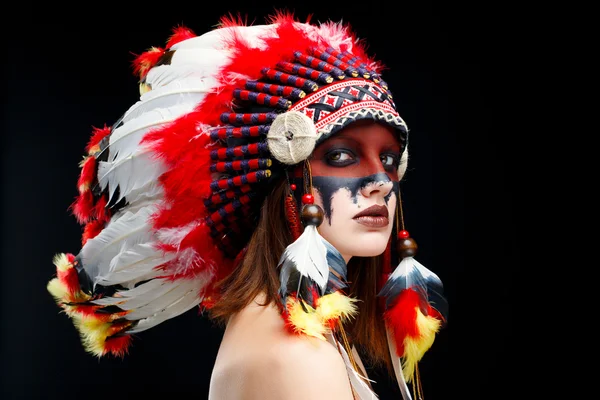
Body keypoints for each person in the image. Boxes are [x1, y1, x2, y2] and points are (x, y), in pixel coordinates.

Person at [47, 11, 448, 400]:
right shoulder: (294, 357)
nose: (380, 181)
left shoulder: (299, 332)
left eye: (391, 159)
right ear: (283, 174)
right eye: (342, 156)